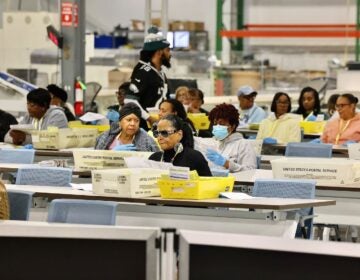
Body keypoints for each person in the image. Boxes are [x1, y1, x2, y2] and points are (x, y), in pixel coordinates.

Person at [127, 27, 172, 130]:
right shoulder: (144, 72)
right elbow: (129, 99)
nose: (170, 54)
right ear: (159, 52)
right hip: (145, 128)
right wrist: (148, 118)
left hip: (160, 125)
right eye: (168, 50)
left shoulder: (159, 73)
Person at [205, 103, 257, 173]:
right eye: (215, 124)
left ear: (233, 126)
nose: (217, 127)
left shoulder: (243, 144)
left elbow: (251, 171)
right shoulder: (213, 143)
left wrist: (227, 164)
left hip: (234, 183)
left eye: (221, 124)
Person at [95, 102, 159, 152]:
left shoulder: (147, 141)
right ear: (120, 122)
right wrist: (112, 153)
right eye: (129, 120)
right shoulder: (105, 137)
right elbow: (95, 159)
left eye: (136, 121)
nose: (132, 124)